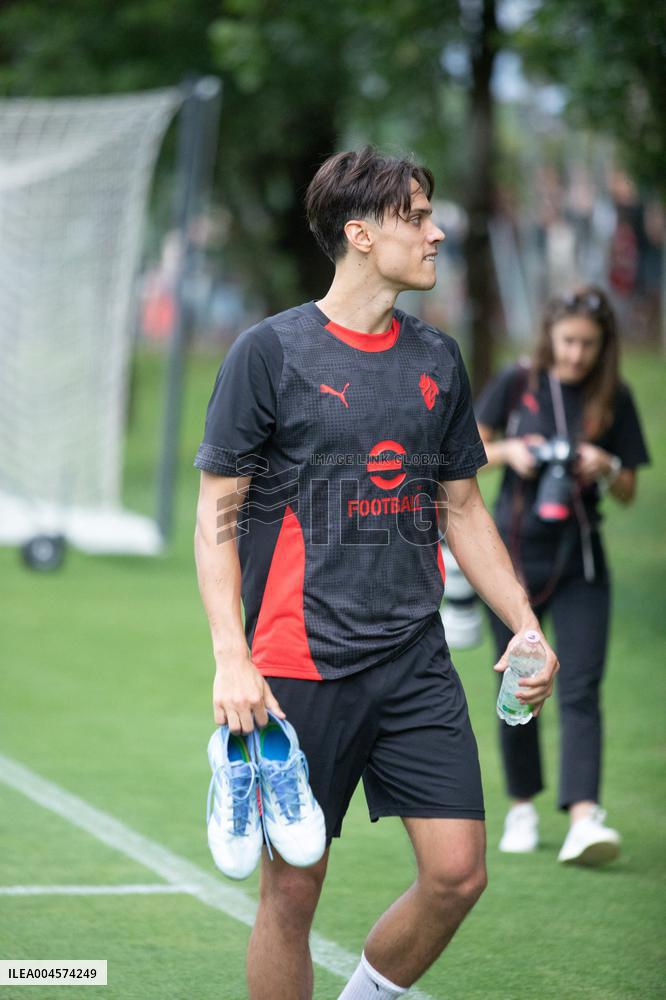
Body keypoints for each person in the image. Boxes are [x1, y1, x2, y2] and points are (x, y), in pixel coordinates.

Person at [194, 147, 558, 1000]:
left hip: (414, 656)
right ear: (360, 234)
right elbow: (217, 517)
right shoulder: (268, 353)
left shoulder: (438, 359)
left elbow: (462, 509)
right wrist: (230, 656)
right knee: (292, 890)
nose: (436, 234)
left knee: (459, 873)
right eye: (418, 217)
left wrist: (525, 624)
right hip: (297, 660)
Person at [475, 286, 650, 865]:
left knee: (581, 687)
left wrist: (609, 464)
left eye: (588, 345)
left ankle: (583, 818)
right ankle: (522, 805)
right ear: (550, 335)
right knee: (519, 681)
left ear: (604, 347)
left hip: (582, 560)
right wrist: (513, 453)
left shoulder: (613, 398)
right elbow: (472, 451)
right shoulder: (517, 382)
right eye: (568, 340)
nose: (576, 354)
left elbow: (628, 493)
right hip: (515, 556)